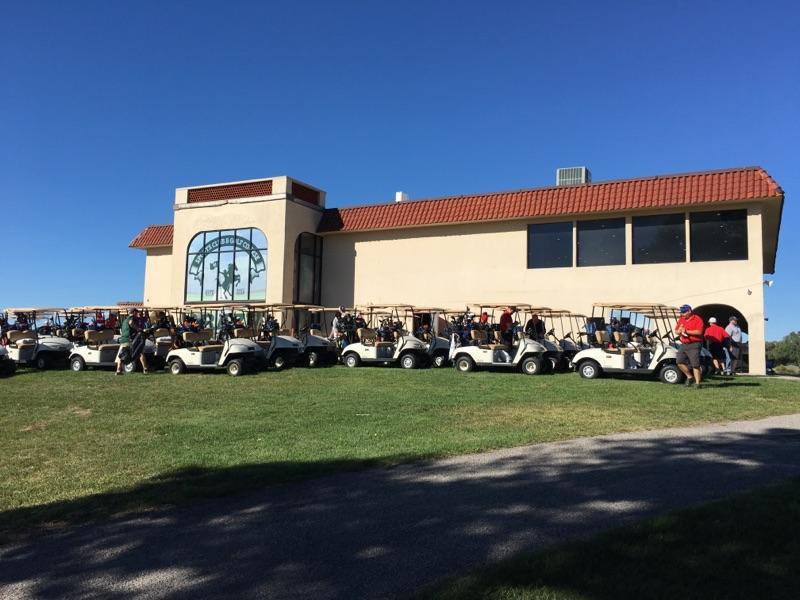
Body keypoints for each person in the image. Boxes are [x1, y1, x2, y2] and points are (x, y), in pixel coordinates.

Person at [674, 304, 705, 387]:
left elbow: (699, 332)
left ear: (689, 311)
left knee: (695, 364)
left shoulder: (698, 319)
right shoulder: (681, 319)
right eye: (681, 312)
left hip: (694, 344)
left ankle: (698, 383)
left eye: (684, 312)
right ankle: (690, 377)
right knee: (679, 362)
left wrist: (687, 331)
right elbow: (676, 331)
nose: (682, 314)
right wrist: (679, 331)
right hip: (684, 344)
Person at [116, 308, 150, 375]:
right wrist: (139, 329)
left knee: (121, 355)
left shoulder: (125, 320)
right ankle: (145, 369)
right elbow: (131, 323)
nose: (137, 314)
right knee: (140, 352)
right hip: (130, 340)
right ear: (134, 312)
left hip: (123, 340)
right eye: (136, 312)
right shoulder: (131, 318)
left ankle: (118, 370)